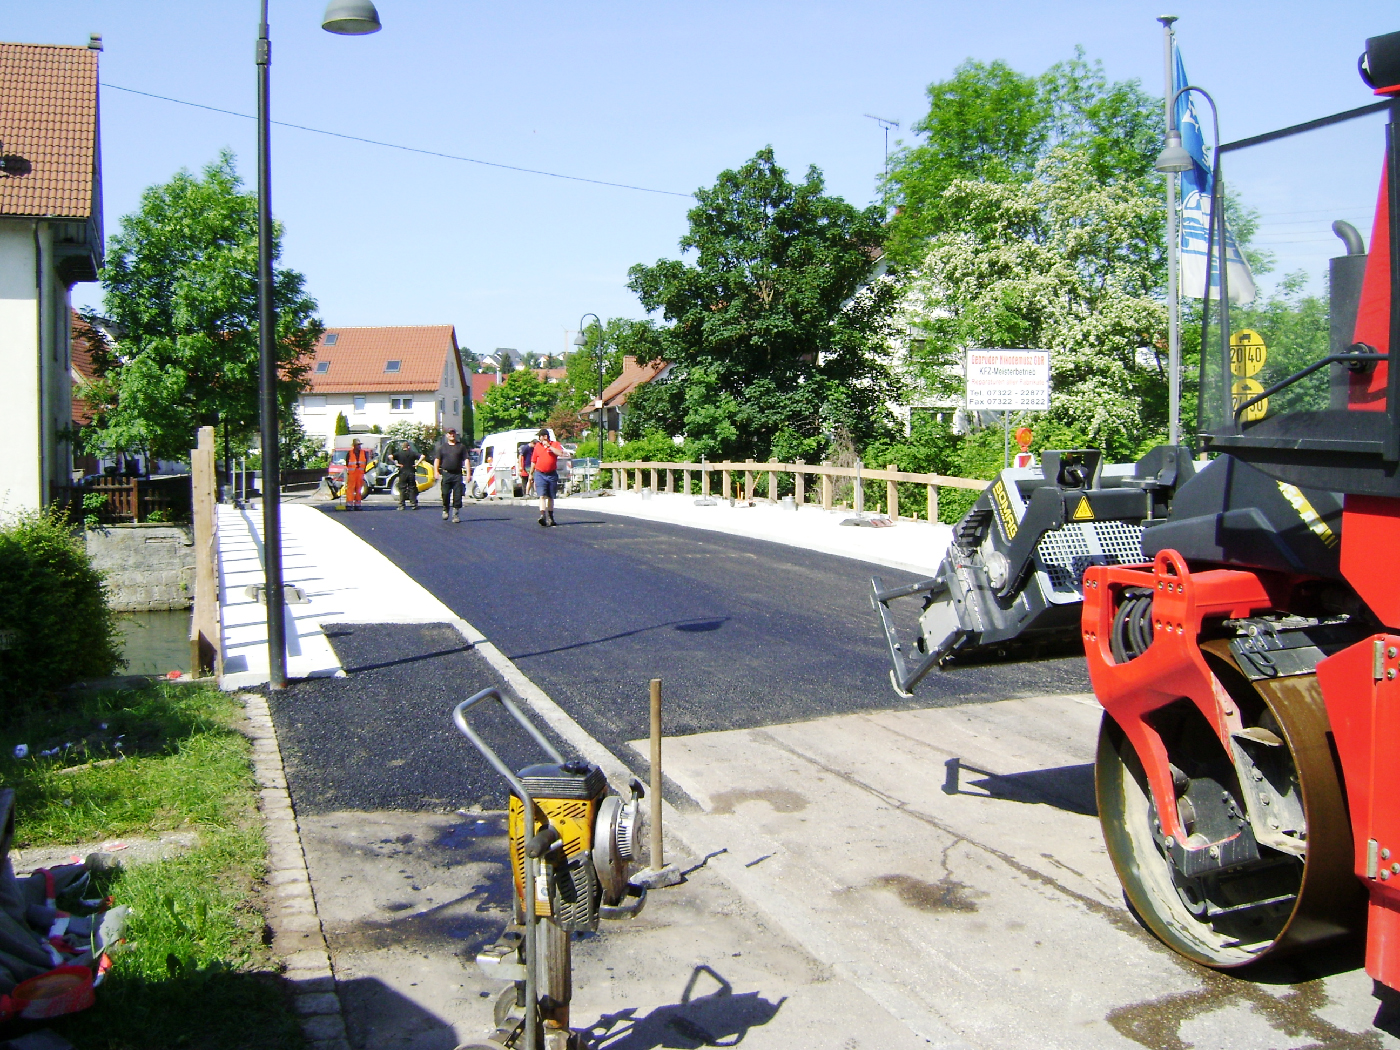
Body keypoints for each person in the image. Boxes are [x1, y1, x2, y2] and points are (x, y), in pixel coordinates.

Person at [529, 428, 564, 527]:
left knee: (550, 497)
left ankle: (551, 517)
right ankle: (542, 516)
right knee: (542, 495)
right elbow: (533, 461)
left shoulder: (555, 444)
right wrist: (531, 474)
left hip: (551, 474)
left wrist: (549, 447)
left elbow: (560, 453)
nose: (539, 439)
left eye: (540, 436)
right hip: (540, 473)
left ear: (545, 436)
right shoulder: (537, 446)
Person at [434, 428, 469, 522]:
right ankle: (445, 509)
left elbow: (466, 460)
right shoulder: (442, 448)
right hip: (446, 474)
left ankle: (455, 514)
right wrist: (436, 471)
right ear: (447, 435)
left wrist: (469, 473)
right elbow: (437, 460)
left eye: (453, 433)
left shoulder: (461, 447)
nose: (451, 435)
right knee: (445, 493)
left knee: (458, 495)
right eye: (450, 433)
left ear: (455, 435)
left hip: (457, 474)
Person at [391, 440, 424, 510]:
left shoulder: (399, 453)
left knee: (402, 489)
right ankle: (414, 504)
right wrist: (417, 463)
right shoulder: (412, 453)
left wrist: (395, 463)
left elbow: (390, 456)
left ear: (402, 447)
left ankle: (402, 505)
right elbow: (423, 456)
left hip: (402, 472)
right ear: (408, 447)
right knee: (412, 488)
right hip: (411, 472)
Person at [345, 438, 370, 510]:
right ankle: (349, 505)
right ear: (354, 446)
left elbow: (365, 462)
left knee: (359, 490)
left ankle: (357, 504)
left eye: (359, 445)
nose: (359, 446)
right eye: (357, 445)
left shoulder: (364, 453)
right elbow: (347, 463)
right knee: (350, 489)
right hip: (352, 473)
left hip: (360, 473)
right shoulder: (349, 453)